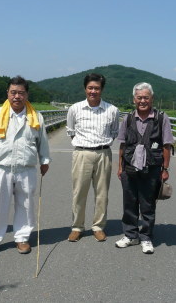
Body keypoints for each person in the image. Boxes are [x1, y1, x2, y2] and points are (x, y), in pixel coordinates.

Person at [0, 76, 50, 258]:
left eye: (21, 93)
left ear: (27, 94)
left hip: (27, 167)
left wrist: (44, 161)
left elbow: (43, 142)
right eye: (13, 92)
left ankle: (22, 237)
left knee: (26, 204)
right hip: (1, 168)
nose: (17, 96)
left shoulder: (36, 116)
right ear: (7, 93)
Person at [115, 82, 174, 254]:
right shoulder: (128, 118)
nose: (142, 101)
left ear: (152, 99)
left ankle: (146, 237)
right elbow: (122, 145)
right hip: (129, 168)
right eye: (139, 97)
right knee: (129, 202)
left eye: (146, 98)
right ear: (134, 99)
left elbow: (167, 145)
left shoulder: (161, 118)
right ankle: (130, 235)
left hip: (152, 168)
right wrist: (120, 167)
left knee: (148, 204)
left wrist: (165, 169)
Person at [66, 73, 119, 242]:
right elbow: (70, 131)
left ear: (102, 89)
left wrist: (104, 144)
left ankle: (98, 226)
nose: (93, 91)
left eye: (97, 88)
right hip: (82, 153)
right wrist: (81, 144)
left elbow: (115, 132)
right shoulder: (75, 109)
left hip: (104, 153)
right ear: (85, 89)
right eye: (90, 88)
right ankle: (77, 226)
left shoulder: (112, 110)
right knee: (79, 192)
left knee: (102, 193)